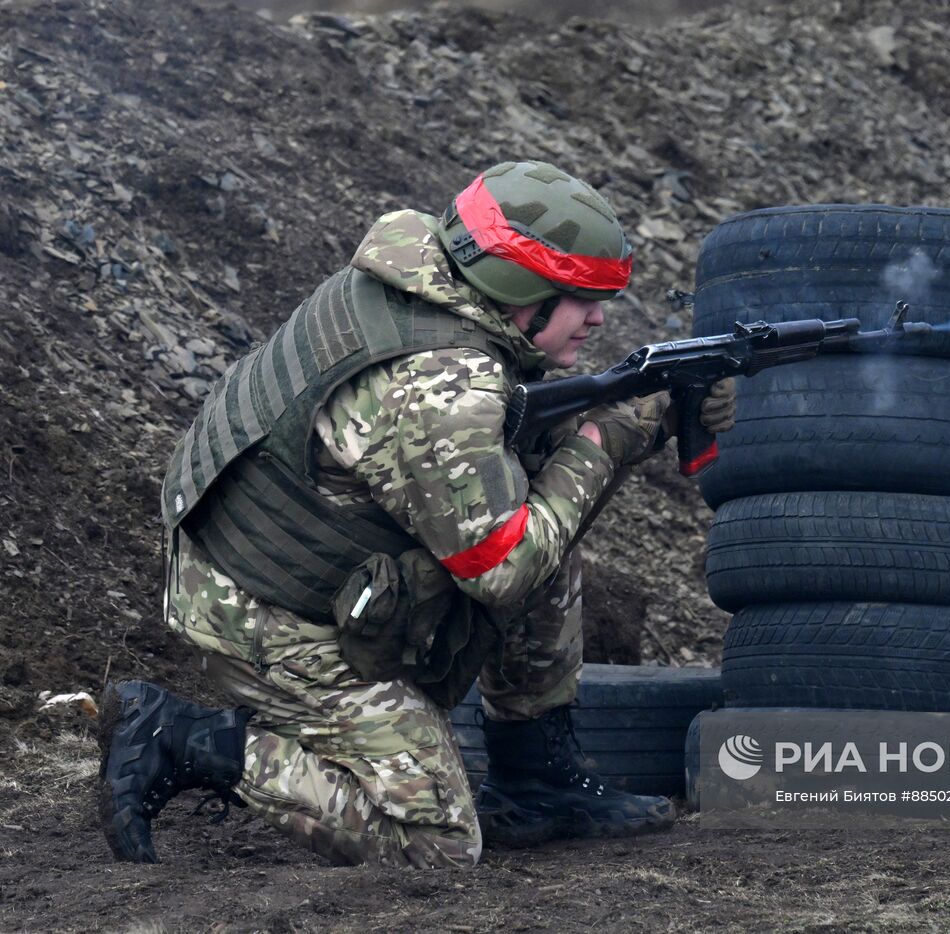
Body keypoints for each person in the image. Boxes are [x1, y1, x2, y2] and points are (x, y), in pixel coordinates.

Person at [97, 160, 738, 868]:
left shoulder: (415, 280)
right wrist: (607, 436)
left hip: (263, 545)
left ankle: (537, 778)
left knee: (546, 523)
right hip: (265, 611)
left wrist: (646, 416)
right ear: (520, 289)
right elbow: (500, 568)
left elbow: (485, 449)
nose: (598, 318)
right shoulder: (445, 383)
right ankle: (187, 739)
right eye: (580, 297)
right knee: (434, 842)